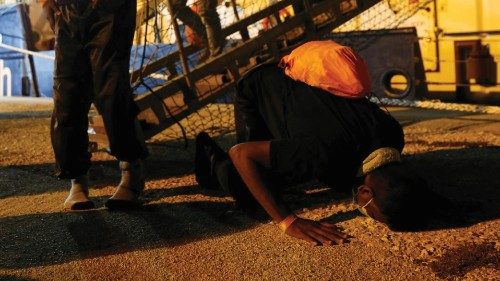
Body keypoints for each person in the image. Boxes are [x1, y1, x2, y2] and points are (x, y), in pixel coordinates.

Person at [195, 61, 437, 246]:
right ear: (365, 191)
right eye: (370, 211)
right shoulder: (321, 153)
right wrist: (288, 221)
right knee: (250, 190)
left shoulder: (394, 135)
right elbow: (242, 154)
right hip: (260, 87)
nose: (364, 210)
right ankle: (209, 153)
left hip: (299, 87)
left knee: (333, 176)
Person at [43, 0, 148, 210]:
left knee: (110, 89)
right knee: (67, 95)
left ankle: (131, 169)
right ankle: (77, 180)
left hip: (110, 8)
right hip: (67, 8)